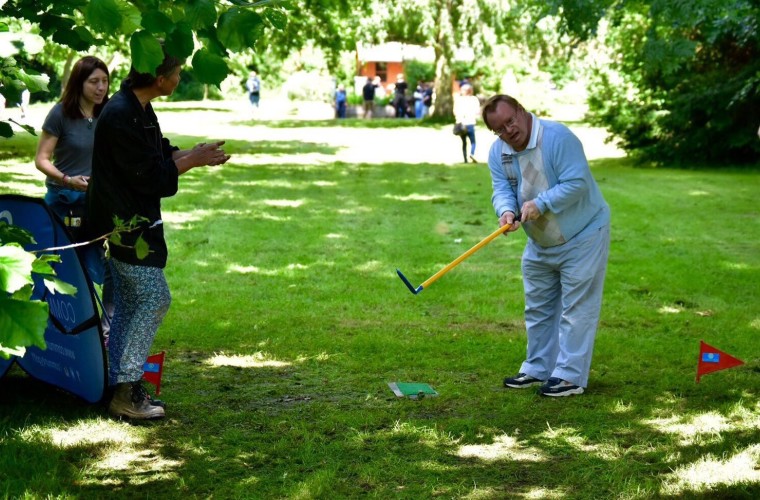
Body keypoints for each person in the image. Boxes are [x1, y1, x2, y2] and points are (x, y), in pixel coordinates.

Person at [87, 48, 231, 419]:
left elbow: (160, 154)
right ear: (161, 79)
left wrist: (193, 153)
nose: (180, 78)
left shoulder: (138, 109)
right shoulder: (120, 114)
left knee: (132, 303)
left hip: (134, 225)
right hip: (125, 229)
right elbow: (153, 178)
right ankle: (126, 391)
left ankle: (119, 384)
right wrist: (193, 162)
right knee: (153, 300)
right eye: (178, 73)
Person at [481, 94, 610, 397]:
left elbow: (577, 182)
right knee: (537, 306)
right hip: (540, 239)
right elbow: (501, 188)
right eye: (499, 129)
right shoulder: (498, 152)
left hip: (583, 232)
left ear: (522, 112)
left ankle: (569, 376)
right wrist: (506, 211)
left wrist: (541, 203)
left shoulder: (557, 138)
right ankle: (538, 368)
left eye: (510, 121)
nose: (508, 131)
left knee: (577, 308)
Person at [34, 56, 114, 334]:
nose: (101, 87)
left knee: (102, 267)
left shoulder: (109, 113)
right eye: (94, 81)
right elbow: (42, 159)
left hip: (95, 204)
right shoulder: (60, 114)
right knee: (60, 270)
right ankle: (55, 329)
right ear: (79, 83)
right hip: (62, 202)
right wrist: (67, 180)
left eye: (104, 81)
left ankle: (99, 332)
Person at [453, 83, 480, 163]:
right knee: (473, 142)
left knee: (464, 142)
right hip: (470, 122)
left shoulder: (459, 100)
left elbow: (455, 111)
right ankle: (472, 153)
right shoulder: (474, 99)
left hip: (461, 123)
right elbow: (477, 111)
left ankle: (465, 159)